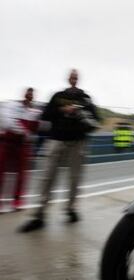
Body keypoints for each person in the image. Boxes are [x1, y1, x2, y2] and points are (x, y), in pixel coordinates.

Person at [19, 69, 100, 232]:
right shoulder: (57, 96)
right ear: (68, 79)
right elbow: (45, 115)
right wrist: (63, 110)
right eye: (72, 76)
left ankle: (70, 209)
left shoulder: (86, 98)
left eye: (76, 76)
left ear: (78, 79)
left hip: (78, 142)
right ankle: (39, 215)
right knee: (47, 177)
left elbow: (95, 121)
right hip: (56, 140)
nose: (74, 79)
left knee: (75, 179)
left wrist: (81, 115)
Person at [0, 88, 41, 210]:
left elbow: (36, 129)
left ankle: (17, 201)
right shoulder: (13, 106)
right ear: (24, 94)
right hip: (7, 142)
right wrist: (25, 133)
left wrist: (30, 135)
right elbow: (8, 123)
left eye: (32, 94)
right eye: (28, 93)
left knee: (22, 174)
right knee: (1, 171)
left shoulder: (34, 112)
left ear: (33, 97)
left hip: (23, 145)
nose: (30, 95)